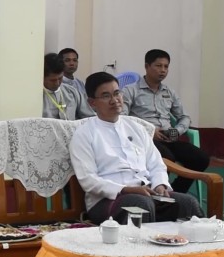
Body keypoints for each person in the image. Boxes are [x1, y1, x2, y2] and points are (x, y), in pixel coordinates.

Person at [70, 71, 203, 224]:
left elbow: (156, 163)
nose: (115, 100)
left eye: (117, 93)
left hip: (148, 193)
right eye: (106, 96)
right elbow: (88, 180)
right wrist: (126, 189)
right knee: (140, 205)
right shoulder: (84, 134)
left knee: (188, 203)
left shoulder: (136, 127)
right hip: (107, 199)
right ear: (92, 103)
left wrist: (160, 184)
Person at [121, 49, 210, 193]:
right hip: (144, 140)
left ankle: (175, 192)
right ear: (147, 66)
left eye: (166, 66)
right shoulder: (130, 91)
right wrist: (150, 131)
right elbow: (123, 118)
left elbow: (185, 117)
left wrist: (177, 131)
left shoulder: (169, 92)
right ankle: (158, 194)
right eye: (158, 66)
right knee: (167, 157)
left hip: (169, 139)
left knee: (201, 158)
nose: (163, 70)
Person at [42, 53, 94, 120]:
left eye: (60, 78)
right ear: (42, 77)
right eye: (53, 80)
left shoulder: (72, 91)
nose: (57, 83)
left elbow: (89, 117)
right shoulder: (36, 96)